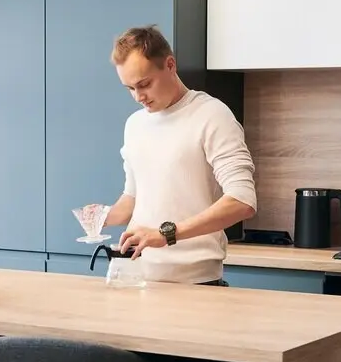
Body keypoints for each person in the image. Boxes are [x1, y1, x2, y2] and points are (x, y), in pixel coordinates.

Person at [104, 25, 257, 285]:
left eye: (145, 84)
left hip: (195, 282)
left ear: (170, 64)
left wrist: (167, 234)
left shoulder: (211, 115)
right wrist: (101, 216)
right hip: (137, 276)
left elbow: (242, 201)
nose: (138, 96)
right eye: (129, 88)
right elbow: (133, 197)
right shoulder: (135, 124)